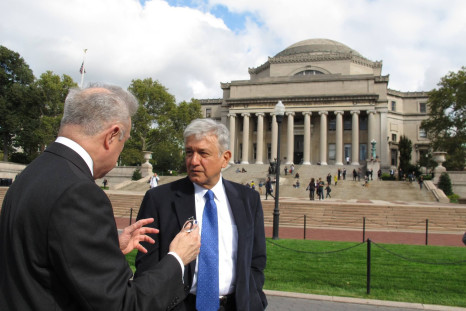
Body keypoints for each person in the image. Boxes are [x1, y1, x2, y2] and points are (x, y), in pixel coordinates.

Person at [0, 84, 201, 311]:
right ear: (112, 135)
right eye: (122, 144)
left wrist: (107, 248)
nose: (118, 156)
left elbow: (40, 256)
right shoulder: (80, 193)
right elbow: (123, 305)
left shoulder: (31, 173)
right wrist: (177, 258)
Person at [135, 118, 267, 311]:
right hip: (180, 305)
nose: (193, 161)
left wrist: (254, 299)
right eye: (189, 152)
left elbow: (256, 259)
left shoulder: (248, 199)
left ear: (225, 158)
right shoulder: (160, 200)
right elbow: (146, 267)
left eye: (203, 153)